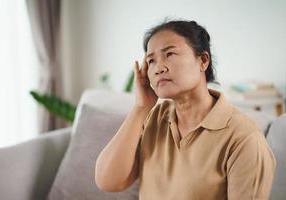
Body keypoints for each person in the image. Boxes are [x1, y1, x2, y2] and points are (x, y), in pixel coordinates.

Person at [95, 19, 276, 200]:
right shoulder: (154, 118)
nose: (159, 68)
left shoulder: (244, 138)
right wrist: (141, 108)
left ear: (203, 61)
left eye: (170, 54)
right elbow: (108, 181)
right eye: (151, 61)